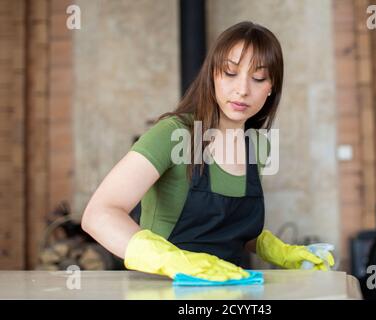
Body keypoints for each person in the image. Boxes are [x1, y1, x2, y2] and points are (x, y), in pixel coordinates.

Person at [81, 21, 334, 281]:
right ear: (213, 75)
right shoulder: (173, 134)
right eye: (230, 72)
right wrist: (172, 261)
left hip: (232, 290)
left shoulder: (257, 146)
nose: (243, 89)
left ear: (271, 87)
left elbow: (224, 225)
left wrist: (275, 249)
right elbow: (99, 214)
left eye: (258, 78)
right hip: (161, 291)